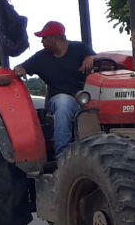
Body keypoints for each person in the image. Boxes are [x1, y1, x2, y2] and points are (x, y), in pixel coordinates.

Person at [13, 21, 96, 158]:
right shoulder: (41, 57)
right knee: (64, 102)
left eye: (44, 38)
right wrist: (19, 70)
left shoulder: (80, 49)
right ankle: (62, 153)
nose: (42, 41)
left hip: (84, 98)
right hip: (57, 100)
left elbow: (95, 57)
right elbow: (21, 67)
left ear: (56, 38)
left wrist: (91, 58)